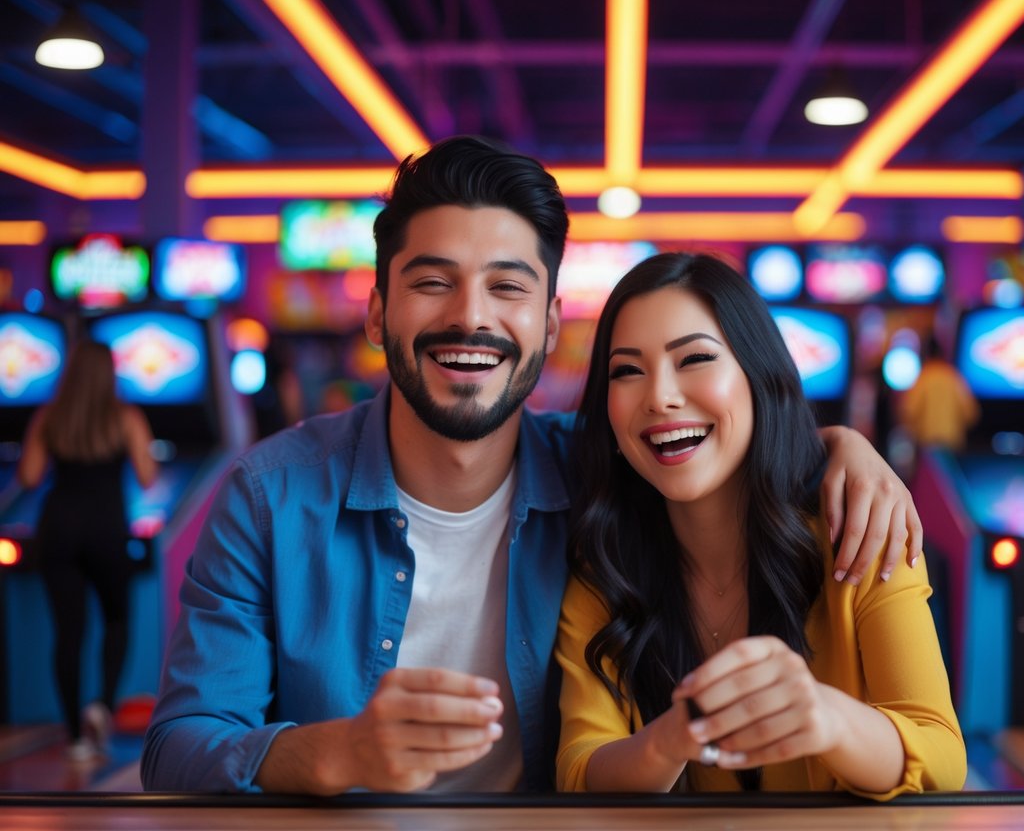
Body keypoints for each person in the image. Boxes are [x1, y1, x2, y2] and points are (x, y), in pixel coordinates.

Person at [141, 135, 925, 794]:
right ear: (379, 311)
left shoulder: (601, 475)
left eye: (506, 287)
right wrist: (340, 752)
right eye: (431, 282)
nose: (470, 316)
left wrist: (837, 448)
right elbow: (177, 749)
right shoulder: (269, 494)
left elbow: (714, 449)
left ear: (550, 325)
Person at [555, 253, 964, 795]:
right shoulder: (608, 562)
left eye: (695, 358)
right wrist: (672, 737)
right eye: (627, 370)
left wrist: (827, 719)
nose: (659, 397)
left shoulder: (861, 529)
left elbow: (941, 756)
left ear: (757, 374)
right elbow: (579, 771)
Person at [17, 340, 159, 762]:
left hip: (58, 529)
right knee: (117, 621)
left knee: (68, 634)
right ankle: (103, 705)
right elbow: (148, 476)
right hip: (107, 529)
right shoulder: (125, 417)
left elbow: (27, 476)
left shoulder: (50, 417)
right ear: (110, 373)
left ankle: (76, 738)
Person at [898, 335, 979, 453]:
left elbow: (909, 411)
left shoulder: (923, 378)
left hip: (928, 443)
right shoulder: (953, 377)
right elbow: (971, 413)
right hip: (953, 443)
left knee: (931, 472)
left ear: (925, 354)